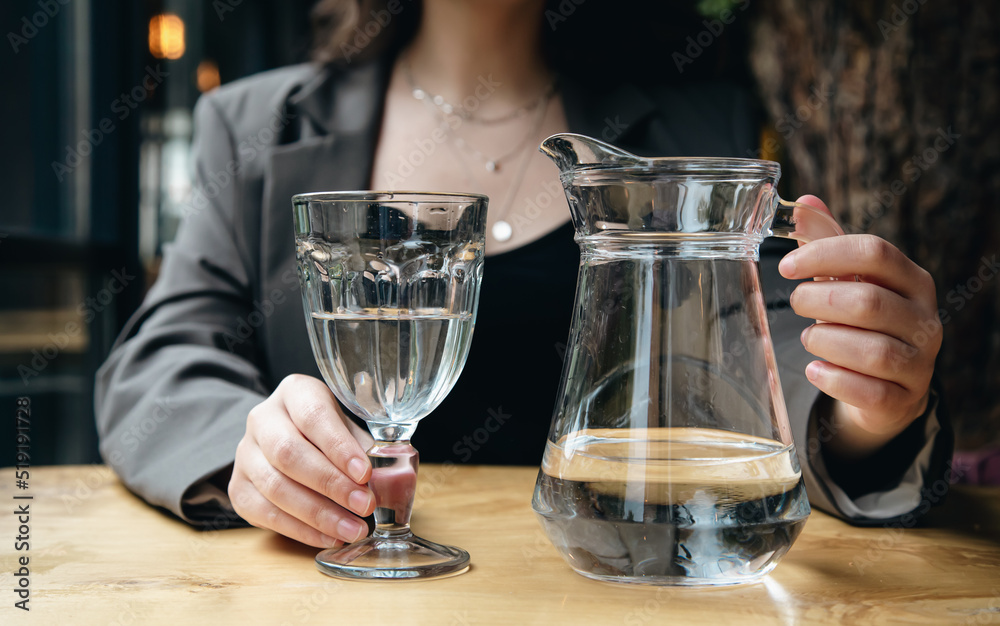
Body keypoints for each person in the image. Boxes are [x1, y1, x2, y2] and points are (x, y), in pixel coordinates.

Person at [95, 0, 950, 549]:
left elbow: (768, 351)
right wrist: (254, 448)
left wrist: (866, 403)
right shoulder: (253, 126)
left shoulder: (696, 125)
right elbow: (158, 361)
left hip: (622, 595)